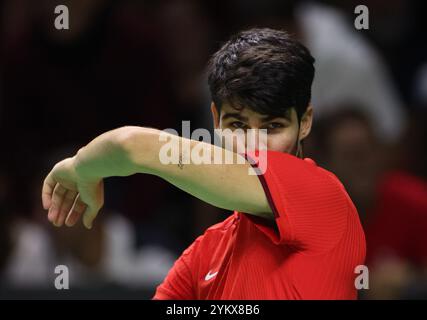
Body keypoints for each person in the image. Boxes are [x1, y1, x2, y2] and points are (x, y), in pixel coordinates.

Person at [41, 28, 366, 299]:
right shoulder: (205, 255)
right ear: (215, 119)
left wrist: (80, 167)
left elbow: (131, 147)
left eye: (272, 128)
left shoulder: (322, 198)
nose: (254, 147)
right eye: (238, 126)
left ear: (305, 121)